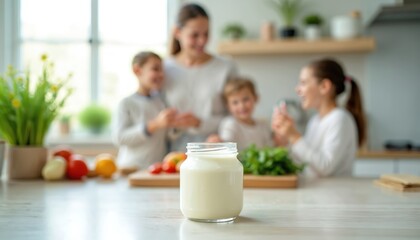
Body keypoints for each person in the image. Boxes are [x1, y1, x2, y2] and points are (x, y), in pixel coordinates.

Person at [272, 58, 366, 178]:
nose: (297, 89)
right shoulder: (315, 121)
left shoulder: (340, 118)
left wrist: (294, 136)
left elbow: (325, 167)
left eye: (303, 83)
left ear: (324, 87)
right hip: (318, 193)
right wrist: (285, 141)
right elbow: (305, 163)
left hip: (337, 194)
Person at [164, 3, 237, 151]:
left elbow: (236, 115)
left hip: (216, 149)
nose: (202, 41)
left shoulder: (225, 67)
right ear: (177, 32)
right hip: (173, 155)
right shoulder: (165, 69)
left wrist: (199, 123)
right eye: (195, 35)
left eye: (206, 34)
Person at [112, 51, 177, 174]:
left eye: (162, 70)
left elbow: (165, 137)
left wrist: (176, 125)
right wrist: (154, 125)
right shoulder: (127, 103)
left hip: (155, 169)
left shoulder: (160, 102)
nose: (161, 74)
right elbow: (119, 138)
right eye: (155, 69)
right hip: (130, 169)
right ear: (137, 70)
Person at [207, 77, 274, 151]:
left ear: (255, 98)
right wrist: (217, 142)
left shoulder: (263, 125)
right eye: (235, 102)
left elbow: (271, 147)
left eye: (246, 99)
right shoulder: (230, 124)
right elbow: (226, 143)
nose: (242, 106)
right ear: (228, 106)